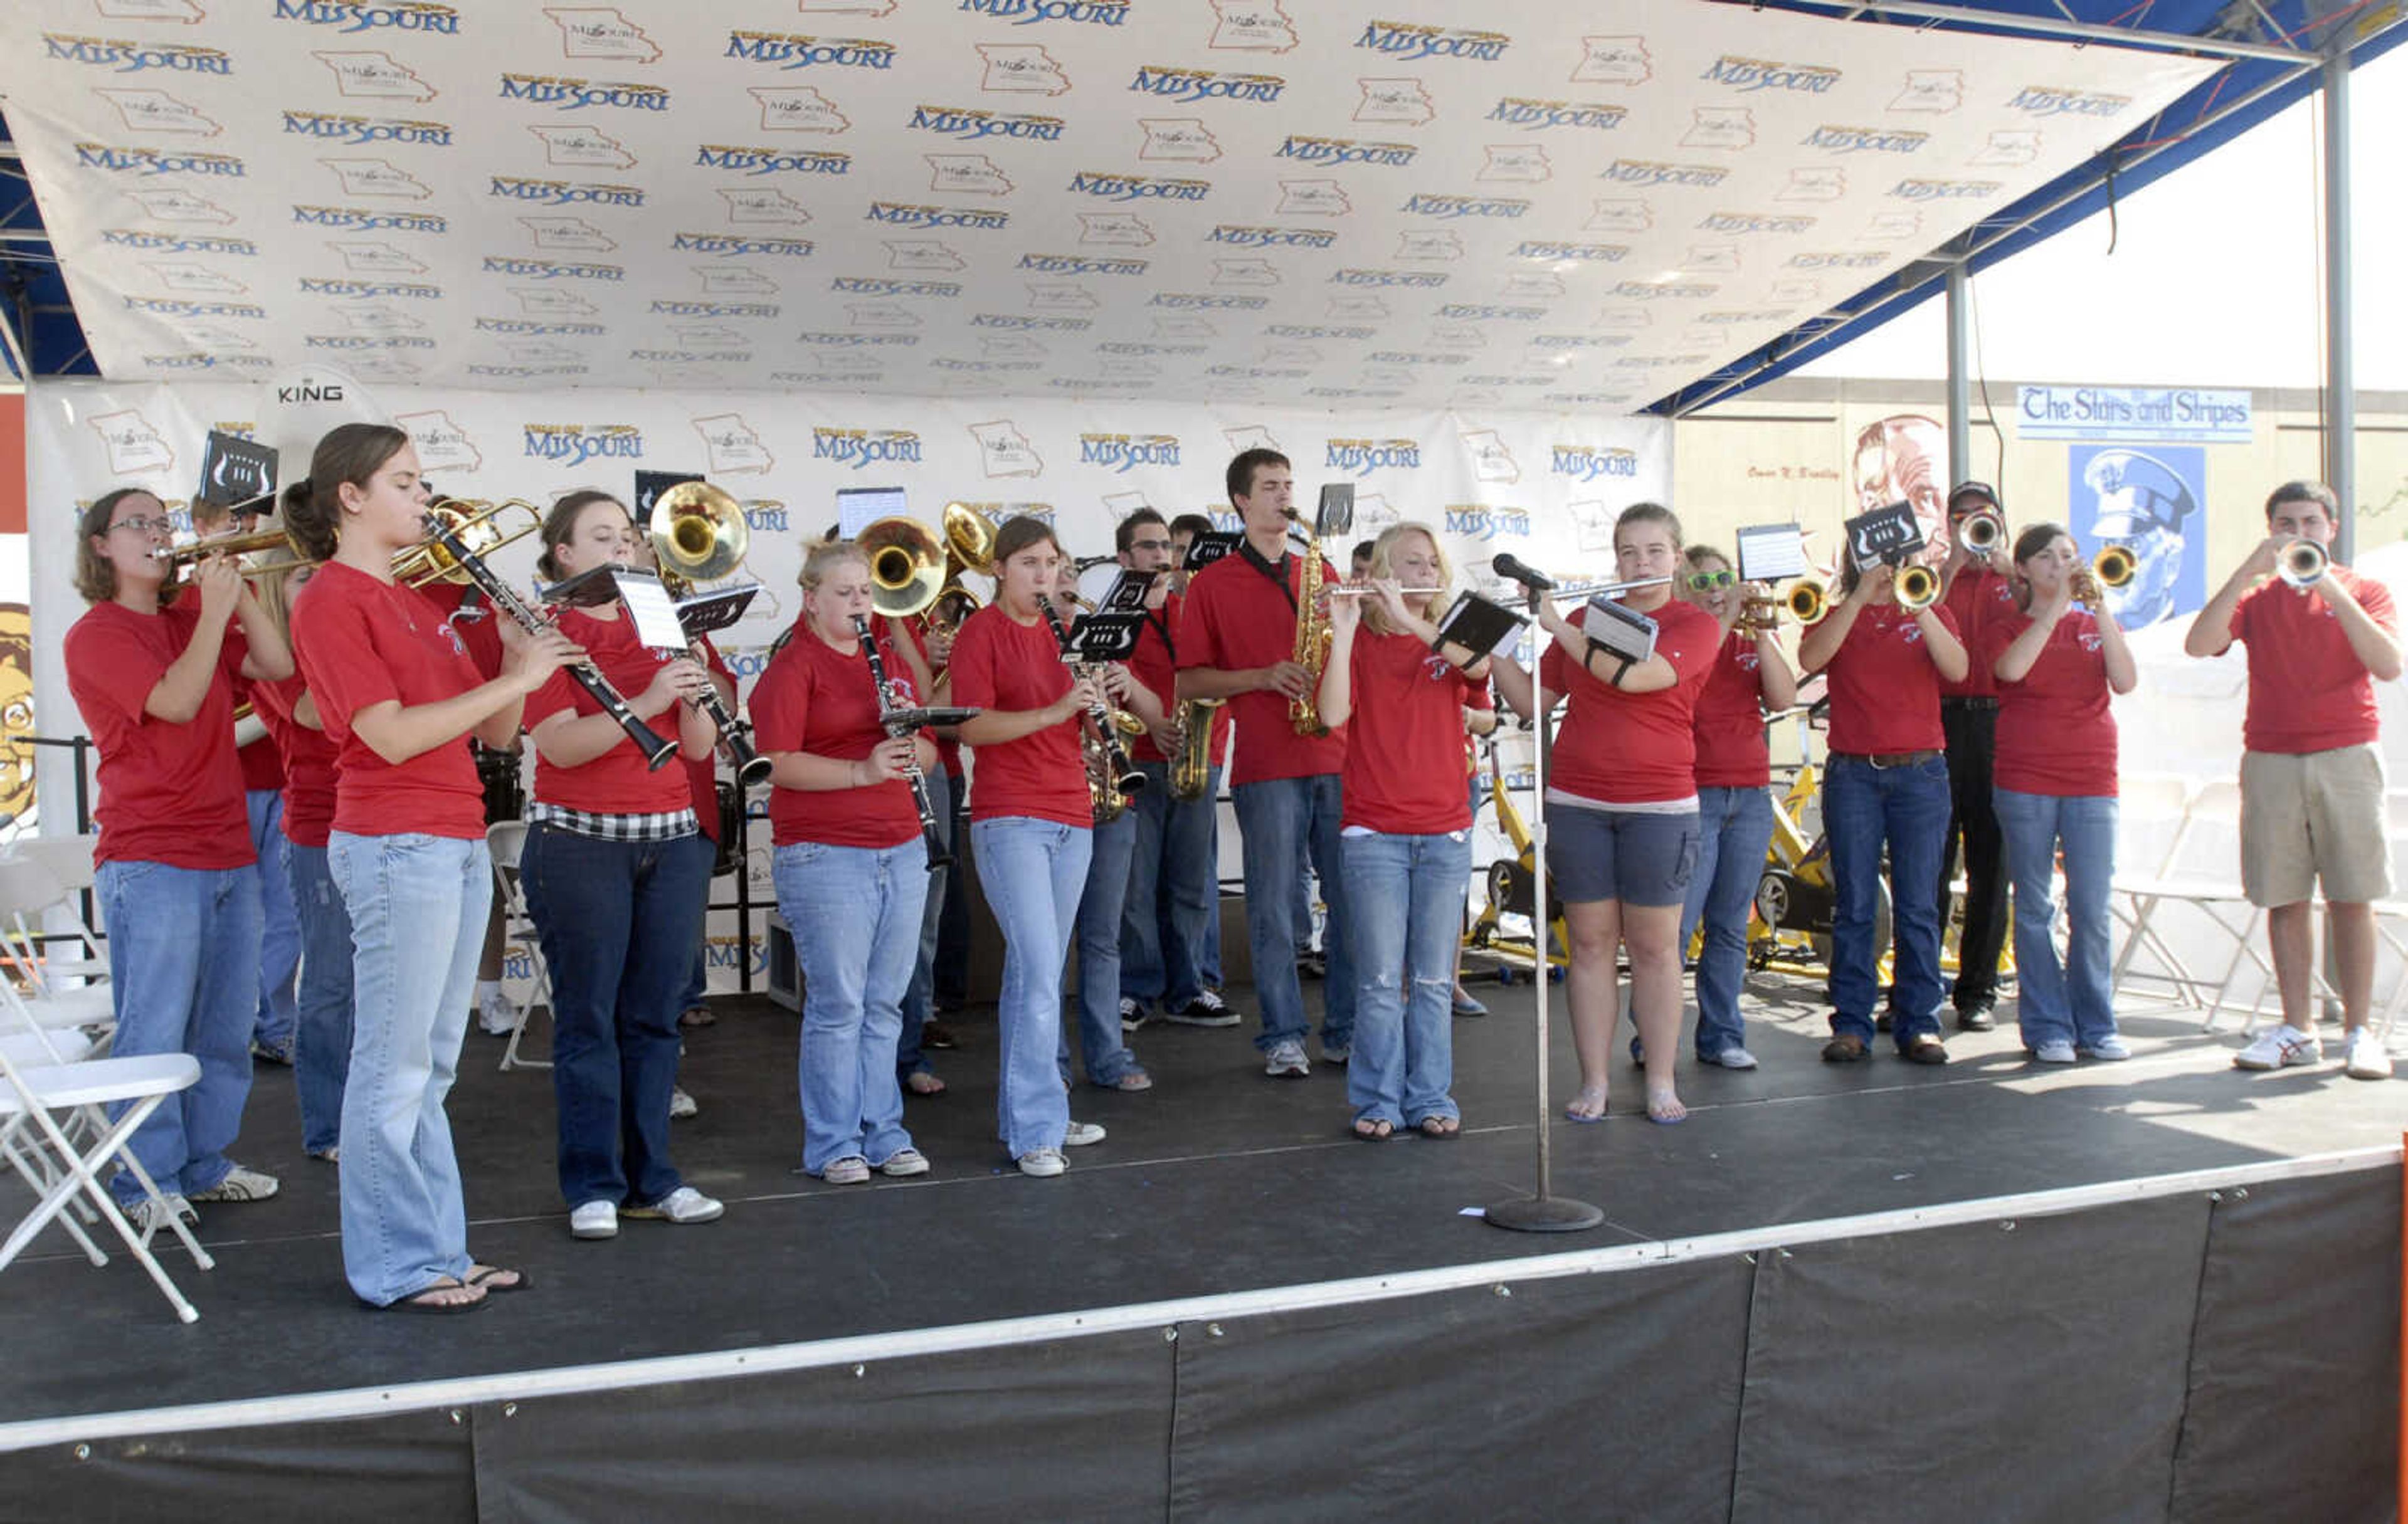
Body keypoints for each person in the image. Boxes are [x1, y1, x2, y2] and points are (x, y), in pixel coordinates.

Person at [287, 423, 577, 1312]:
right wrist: (509, 678)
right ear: (352, 495)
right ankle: (395, 1264)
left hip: (452, 834)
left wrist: (513, 654)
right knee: (394, 1063)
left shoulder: (419, 601)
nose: (425, 497)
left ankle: (438, 1249)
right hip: (394, 839)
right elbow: (387, 734)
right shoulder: (332, 598)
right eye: (407, 482)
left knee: (433, 1064)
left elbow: (491, 734)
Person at [65, 487, 293, 1235]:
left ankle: (202, 1163)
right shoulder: (96, 633)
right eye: (138, 523)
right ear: (101, 546)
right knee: (155, 1026)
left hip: (227, 845)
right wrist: (211, 608)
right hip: (153, 852)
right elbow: (177, 698)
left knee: (225, 1027)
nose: (157, 534)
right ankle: (141, 1178)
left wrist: (240, 587)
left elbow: (276, 659)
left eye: (161, 522)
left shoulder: (190, 614)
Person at [520, 491, 725, 1239]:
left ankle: (655, 1178)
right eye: (601, 537)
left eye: (629, 538)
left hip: (670, 840)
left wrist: (695, 686)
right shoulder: (549, 633)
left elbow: (699, 749)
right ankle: (592, 1184)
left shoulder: (661, 623)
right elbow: (560, 744)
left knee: (654, 1018)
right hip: (580, 843)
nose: (623, 549)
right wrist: (645, 695)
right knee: (588, 1020)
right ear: (563, 555)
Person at [1492, 503, 1719, 1124]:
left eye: (1653, 551)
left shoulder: (1694, 623)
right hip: (1579, 804)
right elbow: (1531, 703)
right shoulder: (1584, 617)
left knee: (1654, 947)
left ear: (1676, 556)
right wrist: (1493, 645)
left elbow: (1638, 678)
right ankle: (1594, 1081)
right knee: (1589, 944)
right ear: (1614, 558)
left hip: (1659, 807)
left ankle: (1662, 1081)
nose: (1640, 563)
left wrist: (1561, 629)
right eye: (1628, 552)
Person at [2184, 481, 2400, 1080]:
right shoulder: (2257, 598)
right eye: (2286, 524)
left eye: (2310, 522)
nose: (2299, 534)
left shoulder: (2365, 588)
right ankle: (2297, 1028)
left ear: (2331, 527)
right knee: (2284, 896)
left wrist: (2326, 583)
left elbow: (2388, 663)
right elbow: (2200, 644)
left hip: (2347, 754)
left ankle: (2359, 1030)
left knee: (2353, 895)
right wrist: (2249, 570)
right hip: (2273, 757)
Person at [753, 539, 939, 1183]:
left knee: (886, 1002)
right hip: (825, 850)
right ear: (811, 599)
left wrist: (911, 747)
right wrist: (862, 768)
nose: (860, 604)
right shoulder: (793, 666)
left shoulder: (889, 660)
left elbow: (935, 752)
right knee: (839, 1005)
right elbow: (773, 761)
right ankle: (834, 1142)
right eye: (845, 593)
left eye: (866, 593)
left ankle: (885, 1131)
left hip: (901, 841)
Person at [1177, 449, 1354, 1077]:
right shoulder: (1212, 584)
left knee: (1349, 900)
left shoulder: (1322, 568)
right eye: (1270, 488)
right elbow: (1190, 681)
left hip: (1335, 755)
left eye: (1289, 485)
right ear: (1241, 503)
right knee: (1274, 906)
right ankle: (1283, 1034)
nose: (1284, 497)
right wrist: (1259, 676)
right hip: (1266, 765)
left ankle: (1346, 1028)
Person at [1316, 523, 1490, 1139]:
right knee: (1382, 979)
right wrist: (1341, 635)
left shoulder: (1454, 632)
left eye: (1429, 562)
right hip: (1375, 833)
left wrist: (1413, 617)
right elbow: (1331, 715)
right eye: (1408, 563)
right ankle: (1377, 1100)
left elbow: (1477, 663)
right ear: (1384, 568)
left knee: (1436, 978)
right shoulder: (1361, 639)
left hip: (1444, 831)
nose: (1422, 572)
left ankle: (1431, 1095)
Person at [951, 517, 1111, 1175]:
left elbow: (1087, 729)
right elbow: (971, 728)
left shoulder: (1067, 635)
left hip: (1071, 810)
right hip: (1009, 814)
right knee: (1039, 967)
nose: (1043, 575)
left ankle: (1038, 1106)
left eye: (1051, 563)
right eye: (1029, 563)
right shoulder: (980, 634)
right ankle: (1033, 1129)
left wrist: (1104, 705)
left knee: (1045, 970)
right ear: (999, 569)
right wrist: (1056, 709)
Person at [1797, 539, 1970, 1066]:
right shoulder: (1836, 614)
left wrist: (1917, 604)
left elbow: (1958, 670)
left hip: (1920, 772)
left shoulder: (1931, 609)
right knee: (1855, 904)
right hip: (1854, 772)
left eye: (1898, 558)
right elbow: (1810, 658)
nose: (1889, 567)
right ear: (1856, 562)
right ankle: (1851, 1022)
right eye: (1876, 558)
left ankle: (1919, 1021)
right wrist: (1855, 599)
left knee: (1919, 903)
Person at [1985, 524, 2138, 1063]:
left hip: (2093, 776)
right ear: (2023, 569)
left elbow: (2125, 680)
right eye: (2047, 557)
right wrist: (2057, 608)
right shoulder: (2008, 626)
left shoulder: (2095, 621)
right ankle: (2047, 1024)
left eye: (2069, 556)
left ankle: (2096, 1023)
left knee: (2092, 906)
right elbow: (2011, 669)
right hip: (2026, 776)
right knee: (2035, 905)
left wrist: (2096, 610)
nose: (2061, 565)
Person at [1669, 545, 1795, 1069]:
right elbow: (1690, 678)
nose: (1716, 588)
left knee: (1729, 925)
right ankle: (1652, 1040)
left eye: (1723, 578)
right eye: (1701, 581)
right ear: (1681, 589)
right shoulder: (1680, 637)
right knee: (1676, 925)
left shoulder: (1744, 637)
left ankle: (1722, 1035)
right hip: (1694, 792)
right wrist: (1721, 618)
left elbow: (1784, 698)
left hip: (1749, 793)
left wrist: (1762, 630)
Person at [1116, 508, 1237, 1034]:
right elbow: (1109, 677)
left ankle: (1189, 988)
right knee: (1136, 886)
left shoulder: (1197, 607)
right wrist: (1155, 721)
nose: (1163, 556)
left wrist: (1191, 736)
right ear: (1124, 558)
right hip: (1137, 758)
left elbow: (1222, 674)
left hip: (1195, 758)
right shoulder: (1114, 617)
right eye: (1148, 547)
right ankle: (1137, 989)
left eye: (1167, 546)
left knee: (1191, 883)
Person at [246, 552, 350, 1162]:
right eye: (303, 577)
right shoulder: (271, 659)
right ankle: (328, 1126)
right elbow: (318, 712)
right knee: (332, 984)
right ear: (272, 589)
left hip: (375, 824)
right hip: (318, 830)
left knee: (371, 987)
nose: (319, 587)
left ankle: (367, 1115)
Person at [193, 497, 302, 1069]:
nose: (249, 532)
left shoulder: (264, 589)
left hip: (280, 777)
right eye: (234, 523)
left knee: (284, 914)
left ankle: (276, 1024)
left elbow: (280, 667)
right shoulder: (185, 599)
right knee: (229, 915)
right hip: (221, 783)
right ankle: (231, 1027)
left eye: (256, 522)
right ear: (200, 527)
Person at [1055, 557, 1162, 1094]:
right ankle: (1049, 1062)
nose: (1065, 586)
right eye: (1053, 575)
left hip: (1109, 802)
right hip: (1051, 804)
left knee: (1102, 939)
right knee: (1048, 945)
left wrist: (1124, 682)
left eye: (1071, 577)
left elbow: (1153, 712)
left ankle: (1108, 1055)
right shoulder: (1031, 643)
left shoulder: (1100, 642)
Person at [1933, 482, 2017, 1033]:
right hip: (1939, 717)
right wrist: (1948, 567)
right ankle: (1916, 986)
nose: (1970, 524)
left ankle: (1978, 989)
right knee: (1929, 865)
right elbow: (1917, 615)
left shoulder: (2016, 575)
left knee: (1992, 865)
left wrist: (2007, 564)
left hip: (1999, 721)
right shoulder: (1935, 574)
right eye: (1960, 516)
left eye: (1981, 516)